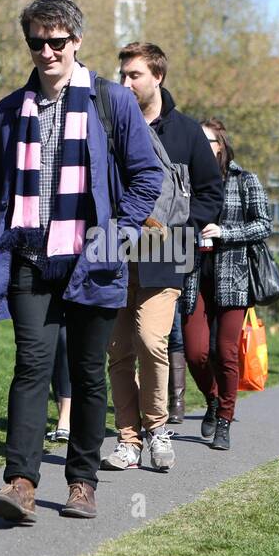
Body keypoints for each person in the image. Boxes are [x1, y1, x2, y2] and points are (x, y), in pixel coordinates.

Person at [0, 0, 162, 523]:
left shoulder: (111, 101)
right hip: (31, 260)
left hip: (94, 261)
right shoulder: (12, 109)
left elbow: (146, 174)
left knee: (86, 375)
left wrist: (116, 234)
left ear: (77, 42)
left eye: (56, 41)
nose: (46, 51)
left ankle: (82, 482)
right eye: (36, 41)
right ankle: (20, 482)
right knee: (31, 369)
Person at [104, 42, 224, 472]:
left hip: (164, 251)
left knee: (152, 341)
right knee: (118, 350)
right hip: (113, 250)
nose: (124, 83)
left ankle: (157, 429)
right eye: (121, 75)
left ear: (158, 77)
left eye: (133, 75)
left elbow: (212, 190)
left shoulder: (186, 132)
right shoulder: (109, 126)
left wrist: (186, 230)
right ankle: (128, 439)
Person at [181, 119, 271, 452]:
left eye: (208, 142)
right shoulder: (188, 180)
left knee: (226, 351)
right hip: (195, 275)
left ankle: (224, 420)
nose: (202, 148)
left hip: (234, 278)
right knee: (195, 351)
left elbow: (264, 224)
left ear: (222, 145)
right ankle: (213, 398)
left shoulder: (245, 180)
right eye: (198, 142)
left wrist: (226, 233)